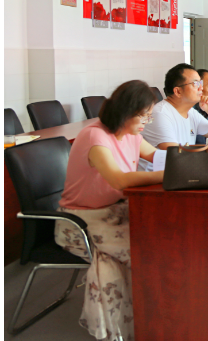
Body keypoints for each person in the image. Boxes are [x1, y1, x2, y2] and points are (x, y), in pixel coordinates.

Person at [54, 80, 165, 341]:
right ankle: (135, 323)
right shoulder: (95, 136)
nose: (147, 122)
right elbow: (119, 180)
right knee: (146, 249)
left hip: (115, 212)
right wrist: (171, 174)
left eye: (149, 116)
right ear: (126, 111)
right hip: (80, 220)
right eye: (143, 116)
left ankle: (151, 316)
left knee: (159, 236)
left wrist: (202, 155)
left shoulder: (132, 134)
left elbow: (159, 157)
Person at [141, 63, 208, 169]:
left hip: (183, 170)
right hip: (157, 176)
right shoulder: (160, 114)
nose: (201, 88)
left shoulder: (191, 112)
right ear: (178, 91)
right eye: (195, 84)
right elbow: (175, 154)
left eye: (200, 83)